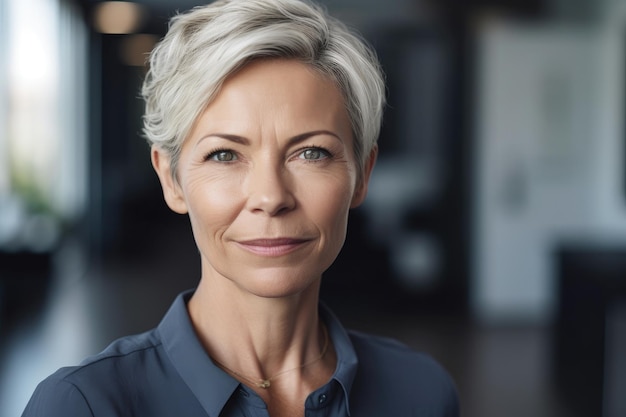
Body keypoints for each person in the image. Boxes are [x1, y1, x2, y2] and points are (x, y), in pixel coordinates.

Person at [22, 0, 459, 416]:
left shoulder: (421, 392)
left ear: (361, 175)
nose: (271, 198)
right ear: (171, 179)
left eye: (311, 153)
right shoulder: (84, 405)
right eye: (225, 155)